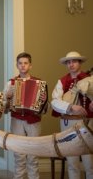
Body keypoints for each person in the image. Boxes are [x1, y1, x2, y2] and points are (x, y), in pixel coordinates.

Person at [51, 51, 93, 179]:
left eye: (74, 61)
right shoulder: (62, 81)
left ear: (79, 63)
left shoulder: (90, 79)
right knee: (72, 161)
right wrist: (70, 107)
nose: (71, 64)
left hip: (87, 122)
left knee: (89, 162)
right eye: (68, 62)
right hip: (67, 123)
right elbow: (54, 101)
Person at [4, 52, 46, 179]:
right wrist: (8, 97)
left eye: (25, 63)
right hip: (17, 119)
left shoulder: (38, 82)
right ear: (17, 65)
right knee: (19, 155)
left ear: (30, 65)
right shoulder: (10, 83)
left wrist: (43, 101)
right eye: (20, 63)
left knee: (33, 154)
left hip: (34, 120)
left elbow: (44, 108)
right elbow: (4, 107)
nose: (23, 66)